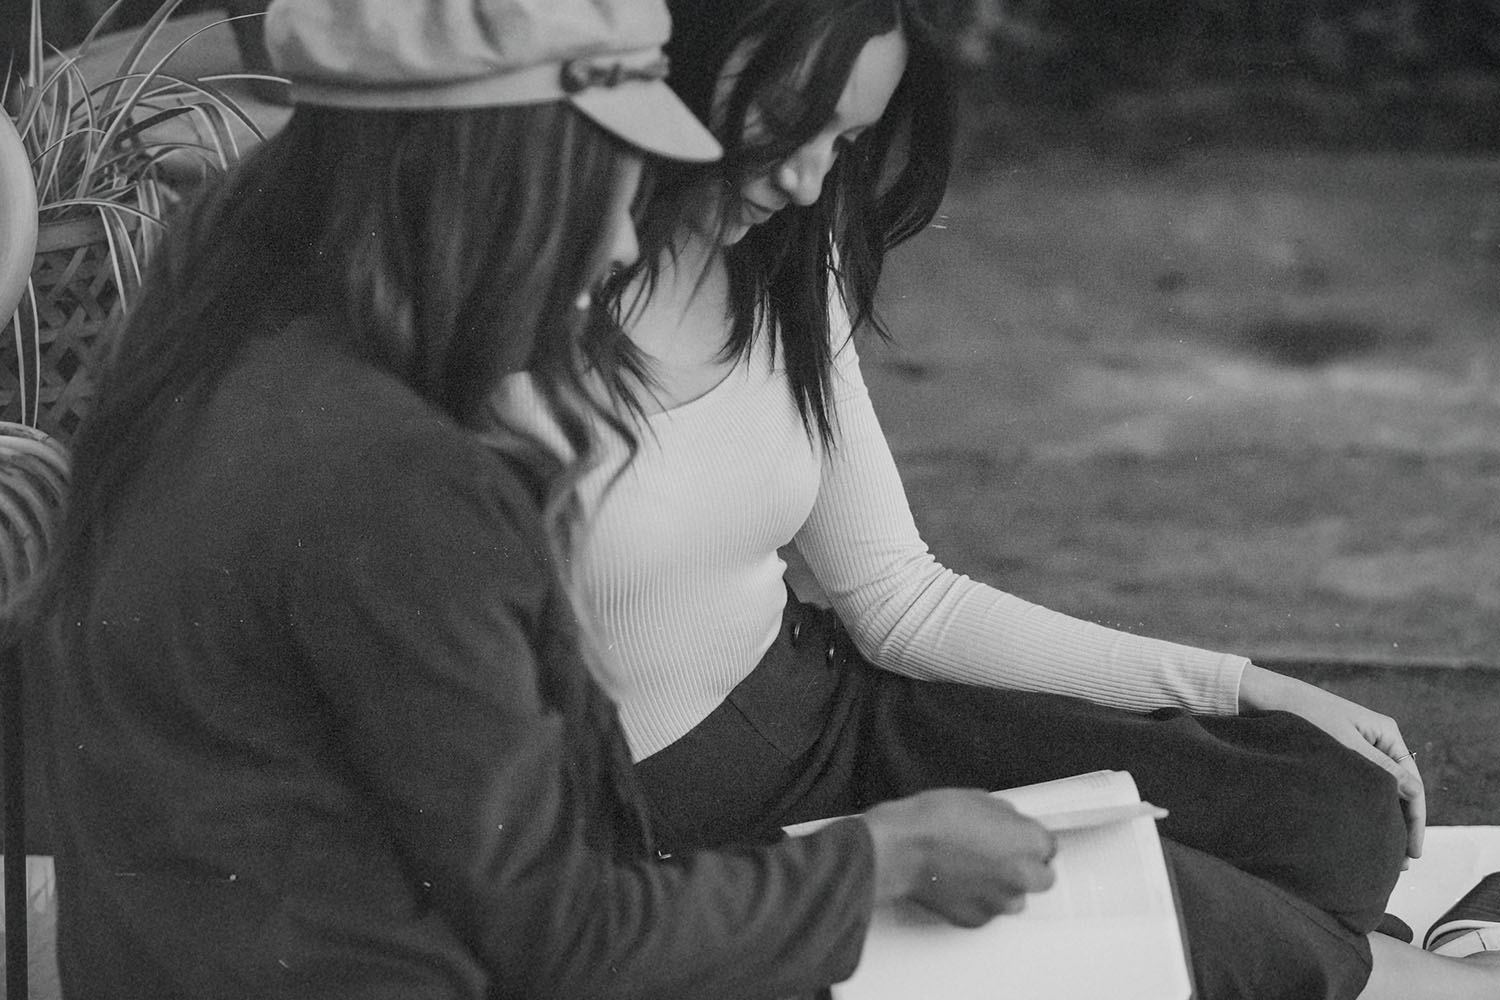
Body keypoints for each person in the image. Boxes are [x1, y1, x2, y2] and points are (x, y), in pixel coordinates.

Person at [28, 0, 1071, 997]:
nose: (624, 245)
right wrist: (884, 856)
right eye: (611, 189)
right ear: (501, 183)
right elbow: (563, 938)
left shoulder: (219, 350)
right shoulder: (392, 479)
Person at [491, 0, 1500, 996]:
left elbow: (898, 595)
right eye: (777, 131)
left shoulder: (787, 252)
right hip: (684, 832)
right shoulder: (502, 327)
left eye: (841, 142)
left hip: (833, 708)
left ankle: (1334, 952)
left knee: (1335, 803)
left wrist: (1245, 686)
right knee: (1200, 920)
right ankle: (1411, 974)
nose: (804, 182)